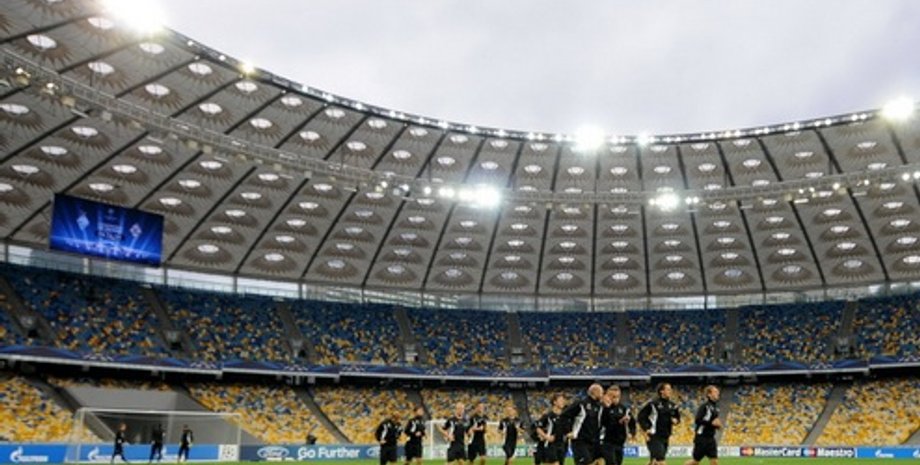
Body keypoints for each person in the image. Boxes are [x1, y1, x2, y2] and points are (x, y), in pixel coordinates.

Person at [559, 384, 604, 465]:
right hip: (580, 441)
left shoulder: (599, 406)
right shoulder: (581, 404)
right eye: (601, 392)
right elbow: (564, 415)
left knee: (600, 462)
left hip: (595, 441)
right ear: (595, 392)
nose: (602, 394)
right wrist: (568, 431)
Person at [638, 383, 681, 465]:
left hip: (666, 436)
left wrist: (676, 421)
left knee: (653, 462)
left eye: (670, 389)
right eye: (668, 389)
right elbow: (641, 416)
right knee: (661, 461)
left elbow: (677, 418)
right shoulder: (653, 404)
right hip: (654, 436)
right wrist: (646, 428)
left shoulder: (673, 405)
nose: (670, 391)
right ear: (661, 391)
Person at [684, 386, 721, 465]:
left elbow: (714, 422)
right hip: (702, 438)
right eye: (715, 392)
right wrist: (711, 423)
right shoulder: (704, 406)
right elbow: (697, 420)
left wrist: (718, 426)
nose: (718, 393)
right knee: (695, 462)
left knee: (715, 462)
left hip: (711, 438)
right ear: (709, 394)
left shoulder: (716, 407)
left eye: (717, 391)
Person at [600, 386, 635, 465]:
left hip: (620, 442)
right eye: (612, 396)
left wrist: (632, 432)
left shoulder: (624, 409)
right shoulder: (602, 408)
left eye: (617, 396)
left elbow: (632, 422)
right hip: (606, 441)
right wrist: (619, 422)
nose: (615, 399)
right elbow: (605, 423)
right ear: (607, 396)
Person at [536, 393, 567, 465]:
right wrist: (546, 436)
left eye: (563, 400)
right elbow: (538, 428)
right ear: (555, 402)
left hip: (562, 445)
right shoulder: (548, 415)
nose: (563, 402)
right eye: (561, 400)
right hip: (550, 445)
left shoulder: (565, 416)